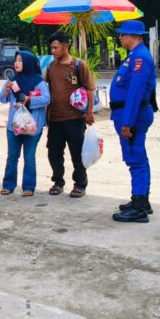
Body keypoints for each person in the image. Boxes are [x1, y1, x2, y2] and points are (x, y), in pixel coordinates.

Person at [110, 20, 157, 223]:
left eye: (123, 34)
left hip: (132, 117)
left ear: (134, 36)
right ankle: (141, 200)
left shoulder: (140, 58)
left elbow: (135, 92)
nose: (120, 38)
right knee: (138, 157)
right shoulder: (134, 56)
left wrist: (127, 122)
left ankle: (139, 207)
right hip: (128, 114)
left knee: (135, 159)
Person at [44, 32, 96, 198]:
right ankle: (58, 182)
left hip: (75, 119)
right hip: (54, 119)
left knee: (77, 153)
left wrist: (89, 113)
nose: (53, 51)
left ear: (66, 46)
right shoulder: (51, 67)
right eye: (51, 48)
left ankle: (80, 184)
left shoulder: (79, 65)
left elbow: (90, 89)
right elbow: (46, 88)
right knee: (54, 153)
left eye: (56, 47)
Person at [0, 51, 51, 196]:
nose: (16, 63)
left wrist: (30, 99)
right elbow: (2, 99)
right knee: (12, 156)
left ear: (28, 62)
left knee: (29, 157)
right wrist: (7, 91)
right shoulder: (12, 80)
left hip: (32, 126)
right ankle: (8, 185)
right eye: (15, 60)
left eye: (20, 60)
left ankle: (28, 187)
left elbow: (47, 99)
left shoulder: (38, 82)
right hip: (14, 126)